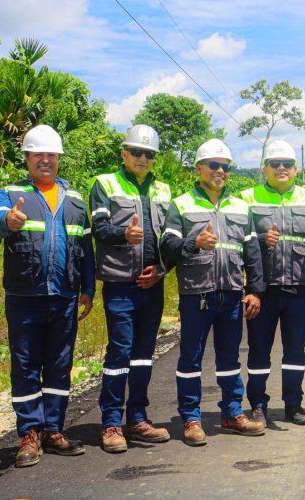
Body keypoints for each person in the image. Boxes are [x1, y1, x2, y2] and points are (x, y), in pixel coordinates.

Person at [0, 125, 95, 467]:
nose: (45, 160)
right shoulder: (11, 192)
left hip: (64, 295)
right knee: (25, 366)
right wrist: (9, 220)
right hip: (24, 296)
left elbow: (85, 249)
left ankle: (53, 430)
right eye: (38, 155)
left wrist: (89, 289)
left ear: (58, 158)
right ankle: (29, 435)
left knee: (60, 366)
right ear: (28, 158)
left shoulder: (76, 200)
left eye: (51, 155)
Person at [161, 139, 265, 446]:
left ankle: (232, 413)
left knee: (230, 358)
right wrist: (193, 243)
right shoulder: (182, 204)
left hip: (232, 294)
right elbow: (167, 245)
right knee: (191, 359)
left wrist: (255, 290)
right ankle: (191, 418)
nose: (220, 171)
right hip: (197, 294)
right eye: (214, 165)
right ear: (199, 168)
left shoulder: (240, 206)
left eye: (225, 166)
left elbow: (253, 252)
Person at [90, 124, 172, 453]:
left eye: (148, 154)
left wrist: (162, 270)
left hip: (154, 285)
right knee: (120, 353)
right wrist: (123, 234)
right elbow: (97, 227)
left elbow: (171, 238)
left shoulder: (164, 190)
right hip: (120, 284)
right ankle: (111, 422)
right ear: (123, 153)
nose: (142, 158)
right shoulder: (105, 184)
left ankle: (137, 418)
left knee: (142, 356)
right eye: (136, 152)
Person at [240, 140, 305, 426]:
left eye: (287, 164)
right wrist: (262, 242)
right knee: (259, 349)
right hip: (264, 289)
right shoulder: (247, 198)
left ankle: (294, 404)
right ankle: (258, 404)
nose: (281, 168)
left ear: (296, 169)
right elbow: (237, 241)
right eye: (275, 164)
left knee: (295, 352)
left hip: (299, 287)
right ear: (265, 169)